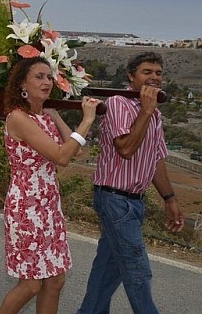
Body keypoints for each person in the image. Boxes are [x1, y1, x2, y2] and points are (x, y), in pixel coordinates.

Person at [77, 52, 184, 314]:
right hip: (114, 199)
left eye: (159, 73)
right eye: (147, 72)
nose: (155, 77)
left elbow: (155, 159)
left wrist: (170, 198)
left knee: (108, 269)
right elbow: (125, 149)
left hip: (135, 201)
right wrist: (146, 112)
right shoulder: (118, 104)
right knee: (137, 270)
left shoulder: (154, 114)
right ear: (131, 76)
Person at [0, 57, 101, 314]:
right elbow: (62, 157)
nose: (47, 82)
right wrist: (86, 120)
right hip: (27, 208)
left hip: (49, 205)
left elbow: (74, 151)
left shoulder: (46, 115)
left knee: (55, 280)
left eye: (49, 77)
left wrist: (54, 113)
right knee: (31, 284)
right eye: (39, 77)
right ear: (22, 83)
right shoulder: (18, 118)